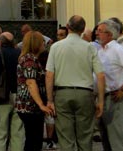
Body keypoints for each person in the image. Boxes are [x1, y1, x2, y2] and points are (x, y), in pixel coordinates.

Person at [45, 15, 105, 151]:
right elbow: (100, 75)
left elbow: (49, 74)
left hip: (62, 92)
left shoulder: (56, 47)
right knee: (85, 136)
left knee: (66, 137)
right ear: (83, 29)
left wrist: (49, 100)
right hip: (85, 93)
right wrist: (100, 100)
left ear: (67, 27)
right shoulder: (90, 47)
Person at [96, 19, 123, 151]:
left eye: (100, 31)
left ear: (109, 34)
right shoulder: (101, 51)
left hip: (115, 96)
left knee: (117, 136)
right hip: (104, 97)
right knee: (105, 136)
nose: (97, 34)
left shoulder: (117, 49)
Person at [16, 30, 52, 151]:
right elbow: (31, 82)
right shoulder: (29, 60)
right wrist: (41, 104)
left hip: (31, 105)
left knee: (34, 139)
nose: (44, 44)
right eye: (42, 42)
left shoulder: (32, 59)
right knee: (33, 140)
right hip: (30, 105)